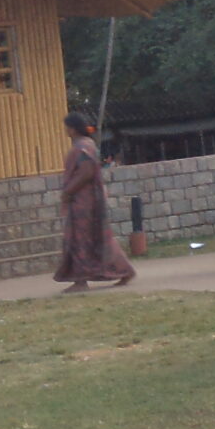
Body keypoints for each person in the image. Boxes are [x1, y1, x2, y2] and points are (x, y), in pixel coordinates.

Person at [53, 111, 135, 293]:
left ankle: (81, 280)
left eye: (66, 126)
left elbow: (86, 171)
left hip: (84, 201)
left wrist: (68, 190)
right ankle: (124, 270)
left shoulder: (82, 147)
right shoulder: (86, 145)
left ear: (72, 129)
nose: (65, 130)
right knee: (99, 238)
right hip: (85, 200)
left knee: (80, 239)